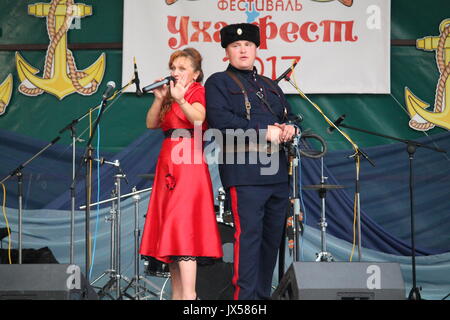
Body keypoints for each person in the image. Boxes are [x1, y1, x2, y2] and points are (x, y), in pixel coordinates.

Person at [205, 23, 297, 300]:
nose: (242, 49)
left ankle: (261, 298)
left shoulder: (269, 85)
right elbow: (220, 123)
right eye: (235, 46)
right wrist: (262, 131)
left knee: (271, 243)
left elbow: (287, 115)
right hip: (245, 175)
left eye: (247, 45)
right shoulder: (218, 82)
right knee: (249, 241)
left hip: (279, 174)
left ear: (256, 49)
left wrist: (289, 127)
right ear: (227, 52)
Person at [139, 47, 223, 300]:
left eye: (182, 69)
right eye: (173, 68)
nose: (175, 73)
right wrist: (159, 98)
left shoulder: (198, 91)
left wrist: (180, 99)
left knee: (184, 229)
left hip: (187, 164)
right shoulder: (170, 94)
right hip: (168, 163)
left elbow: (199, 119)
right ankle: (178, 297)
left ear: (195, 74)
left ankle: (190, 297)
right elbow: (151, 123)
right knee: (172, 232)